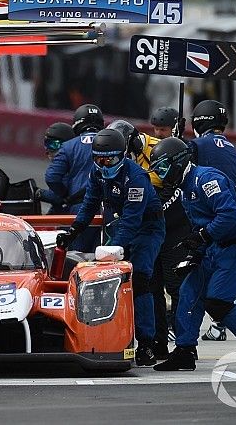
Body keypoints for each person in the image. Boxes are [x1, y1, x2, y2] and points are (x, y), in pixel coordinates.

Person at [149, 138, 236, 372]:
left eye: (162, 168)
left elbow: (229, 216)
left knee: (217, 302)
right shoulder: (185, 188)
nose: (160, 175)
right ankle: (185, 351)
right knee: (189, 292)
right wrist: (194, 252)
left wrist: (203, 237)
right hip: (215, 247)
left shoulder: (207, 179)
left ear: (177, 163)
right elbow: (200, 226)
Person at [56, 128, 165, 366]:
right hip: (119, 225)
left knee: (141, 280)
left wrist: (112, 247)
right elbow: (89, 203)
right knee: (108, 281)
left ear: (123, 155)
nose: (104, 164)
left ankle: (147, 343)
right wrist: (74, 230)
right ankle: (108, 334)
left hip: (147, 229)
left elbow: (132, 220)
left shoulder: (136, 178)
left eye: (110, 159)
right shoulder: (97, 173)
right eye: (99, 159)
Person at [108, 119, 189, 359]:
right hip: (148, 226)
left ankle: (185, 345)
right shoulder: (120, 162)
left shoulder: (159, 149)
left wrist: (155, 204)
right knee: (150, 285)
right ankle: (158, 343)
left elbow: (178, 183)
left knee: (176, 287)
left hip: (174, 225)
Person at [187, 100, 236, 341]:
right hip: (229, 216)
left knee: (195, 278)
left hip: (205, 214)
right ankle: (219, 324)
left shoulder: (196, 145)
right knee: (220, 276)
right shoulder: (232, 149)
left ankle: (184, 331)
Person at [44, 104, 104, 251]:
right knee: (103, 258)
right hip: (107, 209)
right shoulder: (112, 143)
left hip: (79, 209)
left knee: (75, 256)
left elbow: (52, 177)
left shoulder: (69, 146)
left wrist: (65, 196)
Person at [36, 122, 75, 214]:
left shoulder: (72, 168)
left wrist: (38, 192)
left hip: (72, 215)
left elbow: (58, 198)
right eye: (46, 143)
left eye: (54, 144)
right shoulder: (63, 166)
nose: (47, 150)